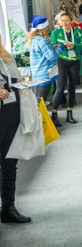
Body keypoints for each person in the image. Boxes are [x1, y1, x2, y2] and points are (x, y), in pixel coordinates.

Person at [0, 34, 31, 224]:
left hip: (11, 113)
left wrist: (25, 85)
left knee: (9, 162)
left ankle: (8, 208)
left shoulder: (6, 56)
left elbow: (14, 80)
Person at [50, 12, 82, 124]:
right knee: (60, 88)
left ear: (71, 21)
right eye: (62, 20)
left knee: (72, 88)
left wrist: (74, 46)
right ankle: (54, 115)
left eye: (67, 20)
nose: (64, 22)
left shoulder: (78, 31)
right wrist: (58, 46)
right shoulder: (56, 32)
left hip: (74, 61)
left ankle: (70, 114)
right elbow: (51, 46)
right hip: (61, 61)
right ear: (59, 22)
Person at [27, 16, 61, 108]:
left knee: (37, 101)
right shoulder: (42, 41)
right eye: (46, 27)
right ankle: (41, 117)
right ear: (42, 28)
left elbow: (40, 53)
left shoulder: (33, 39)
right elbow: (52, 57)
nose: (47, 28)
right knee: (41, 102)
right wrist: (61, 48)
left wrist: (52, 47)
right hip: (44, 75)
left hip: (36, 75)